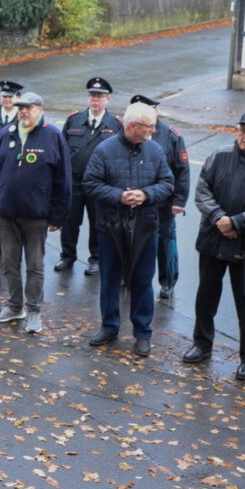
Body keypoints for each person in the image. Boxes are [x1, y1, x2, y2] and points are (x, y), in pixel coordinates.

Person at [182, 111, 245, 381]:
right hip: (212, 240)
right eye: (242, 131)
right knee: (205, 298)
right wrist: (219, 219)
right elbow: (202, 191)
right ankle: (202, 344)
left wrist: (236, 222)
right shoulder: (218, 155)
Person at [83, 101, 173, 358]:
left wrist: (146, 194)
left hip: (145, 227)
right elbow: (90, 183)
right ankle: (109, 327)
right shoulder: (104, 150)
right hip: (111, 227)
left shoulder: (155, 150)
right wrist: (119, 196)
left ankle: (142, 333)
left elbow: (167, 183)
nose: (153, 131)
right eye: (149, 126)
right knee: (110, 279)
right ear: (132, 126)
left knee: (143, 281)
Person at [0, 91, 71, 333]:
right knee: (9, 263)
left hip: (36, 214)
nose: (24, 111)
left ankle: (34, 310)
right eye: (21, 107)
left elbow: (63, 179)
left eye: (29, 107)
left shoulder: (53, 135)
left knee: (35, 265)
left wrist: (58, 215)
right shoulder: (6, 134)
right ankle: (15, 306)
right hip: (7, 213)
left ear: (40, 109)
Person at [57, 77, 123, 276]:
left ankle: (96, 258)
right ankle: (67, 256)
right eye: (93, 96)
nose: (96, 100)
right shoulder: (74, 120)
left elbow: (120, 155)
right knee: (70, 222)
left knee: (98, 223)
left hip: (100, 184)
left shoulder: (116, 124)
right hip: (74, 181)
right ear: (88, 98)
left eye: (100, 96)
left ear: (107, 99)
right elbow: (61, 151)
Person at [130, 95, 190, 301]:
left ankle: (167, 282)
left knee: (165, 244)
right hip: (136, 201)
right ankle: (131, 278)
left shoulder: (170, 135)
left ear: (155, 111)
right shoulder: (130, 131)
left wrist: (179, 201)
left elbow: (182, 170)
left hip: (163, 203)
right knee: (133, 241)